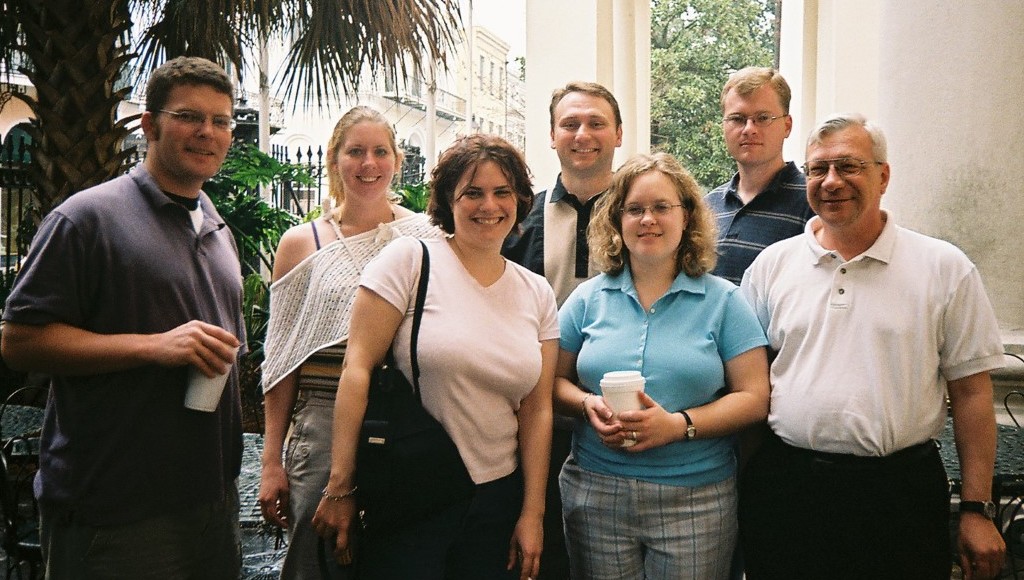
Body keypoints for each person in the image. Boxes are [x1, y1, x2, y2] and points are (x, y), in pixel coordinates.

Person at [1, 56, 245, 578]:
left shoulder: (217, 228)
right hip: (115, 513)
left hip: (210, 506)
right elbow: (19, 340)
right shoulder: (86, 218)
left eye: (221, 121)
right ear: (150, 124)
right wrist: (155, 347)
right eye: (189, 116)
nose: (208, 132)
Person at [739, 113, 1006, 580]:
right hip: (787, 488)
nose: (831, 181)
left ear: (883, 175)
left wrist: (976, 508)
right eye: (818, 169)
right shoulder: (771, 267)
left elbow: (972, 395)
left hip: (898, 493)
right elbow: (748, 386)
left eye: (849, 166)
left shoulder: (944, 268)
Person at [312, 133, 558, 580]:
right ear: (449, 199)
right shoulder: (410, 259)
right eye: (473, 193)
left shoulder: (536, 291)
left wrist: (532, 514)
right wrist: (341, 485)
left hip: (496, 499)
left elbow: (537, 408)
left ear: (521, 200)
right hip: (413, 488)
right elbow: (358, 369)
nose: (489, 205)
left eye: (503, 192)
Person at [554, 152, 771, 579]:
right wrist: (586, 405)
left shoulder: (724, 300)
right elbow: (552, 382)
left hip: (696, 497)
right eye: (634, 209)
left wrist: (679, 425)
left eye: (661, 207)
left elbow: (754, 397)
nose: (647, 219)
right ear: (617, 221)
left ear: (687, 217)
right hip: (596, 492)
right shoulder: (586, 299)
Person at [257, 106, 440, 579]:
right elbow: (281, 360)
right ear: (334, 160)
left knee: (393, 554)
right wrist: (271, 459)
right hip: (320, 418)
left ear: (397, 160)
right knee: (315, 559)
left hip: (401, 414)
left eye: (380, 151)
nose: (368, 164)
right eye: (355, 151)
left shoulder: (427, 236)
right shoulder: (302, 242)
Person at [502, 80, 623, 579]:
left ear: (618, 133)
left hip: (621, 416)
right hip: (533, 416)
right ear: (552, 136)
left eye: (596, 123)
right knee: (540, 553)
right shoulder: (517, 217)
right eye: (569, 124)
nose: (583, 134)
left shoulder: (645, 215)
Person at [704, 66, 814, 285]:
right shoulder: (707, 206)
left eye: (763, 118)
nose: (749, 129)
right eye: (737, 119)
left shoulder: (812, 201)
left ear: (787, 125)